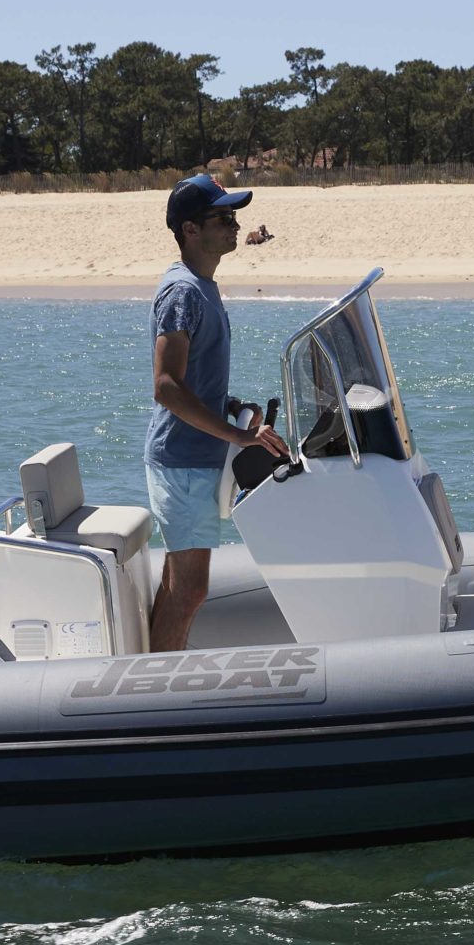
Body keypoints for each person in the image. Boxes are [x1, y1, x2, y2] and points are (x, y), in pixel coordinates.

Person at [146, 174, 289, 651]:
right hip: (184, 461)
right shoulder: (183, 292)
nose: (236, 226)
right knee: (190, 590)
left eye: (234, 217)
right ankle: (159, 683)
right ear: (190, 230)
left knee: (179, 584)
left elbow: (193, 379)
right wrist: (239, 436)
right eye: (223, 218)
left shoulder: (202, 286)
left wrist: (233, 407)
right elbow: (166, 387)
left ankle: (155, 669)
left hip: (194, 458)